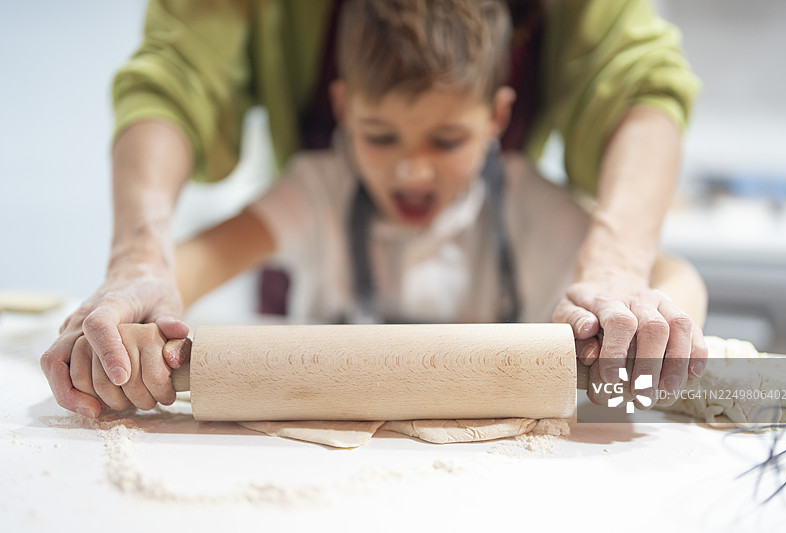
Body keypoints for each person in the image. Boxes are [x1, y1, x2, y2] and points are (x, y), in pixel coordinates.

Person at [41, 0, 707, 418]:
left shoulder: (524, 200)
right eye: (380, 135)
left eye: (447, 139)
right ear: (342, 112)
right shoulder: (317, 191)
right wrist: (137, 301)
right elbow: (193, 261)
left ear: (497, 120)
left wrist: (642, 319)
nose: (411, 166)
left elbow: (674, 276)